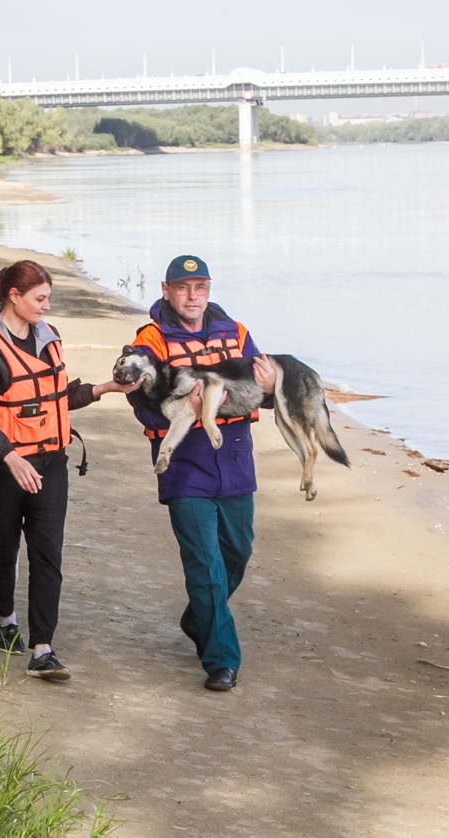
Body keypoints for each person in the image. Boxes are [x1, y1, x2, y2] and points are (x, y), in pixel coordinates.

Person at [0, 260, 136, 681]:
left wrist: (104, 389)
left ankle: (42, 649)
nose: (47, 306)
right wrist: (10, 457)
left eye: (48, 298)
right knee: (2, 551)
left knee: (47, 552)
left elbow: (54, 398)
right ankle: (5, 620)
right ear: (13, 297)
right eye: (40, 298)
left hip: (50, 463)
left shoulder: (49, 337)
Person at [127, 255, 275, 691]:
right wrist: (184, 409)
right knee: (205, 566)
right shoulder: (150, 340)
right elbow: (140, 402)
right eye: (183, 287)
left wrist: (269, 388)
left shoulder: (237, 332)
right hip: (185, 465)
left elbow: (257, 391)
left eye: (201, 287)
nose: (193, 296)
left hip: (234, 458)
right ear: (166, 289)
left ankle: (198, 618)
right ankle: (221, 661)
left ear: (209, 290)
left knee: (237, 554)